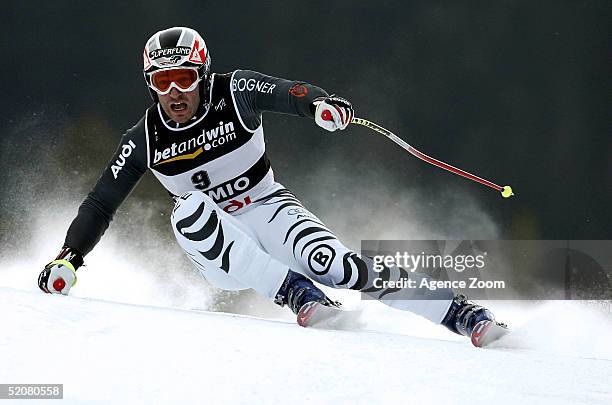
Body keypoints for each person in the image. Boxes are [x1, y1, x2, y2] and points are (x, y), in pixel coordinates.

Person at [38, 27, 498, 341]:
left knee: (339, 266)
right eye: (162, 82)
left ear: (201, 74)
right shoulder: (144, 137)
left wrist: (321, 105)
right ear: (151, 85)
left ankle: (459, 313)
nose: (173, 92)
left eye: (182, 78)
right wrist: (68, 258)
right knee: (188, 210)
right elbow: (100, 204)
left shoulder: (234, 91)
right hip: (217, 246)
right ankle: (296, 293)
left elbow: (288, 93)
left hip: (268, 207)